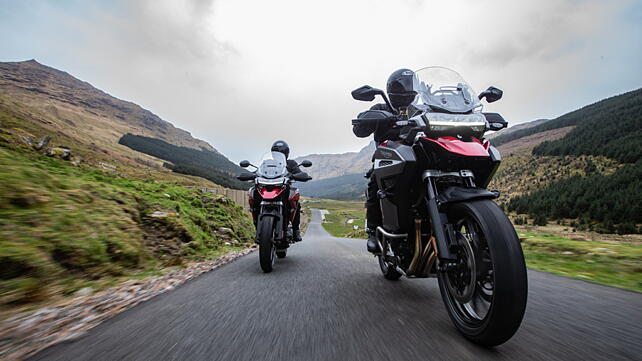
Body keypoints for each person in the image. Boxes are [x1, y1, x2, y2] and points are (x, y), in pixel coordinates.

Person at [352, 68, 417, 253]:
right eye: (401, 87)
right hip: (388, 158)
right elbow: (359, 131)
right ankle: (373, 230)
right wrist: (371, 120)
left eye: (409, 86)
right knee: (375, 185)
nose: (405, 90)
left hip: (419, 155)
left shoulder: (420, 109)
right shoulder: (381, 108)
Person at [271, 140, 304, 242]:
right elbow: (259, 171)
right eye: (277, 151)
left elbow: (298, 172)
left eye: (281, 151)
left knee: (295, 202)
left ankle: (295, 230)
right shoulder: (268, 163)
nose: (279, 153)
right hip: (269, 189)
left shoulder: (291, 163)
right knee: (254, 192)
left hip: (284, 189)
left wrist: (298, 175)